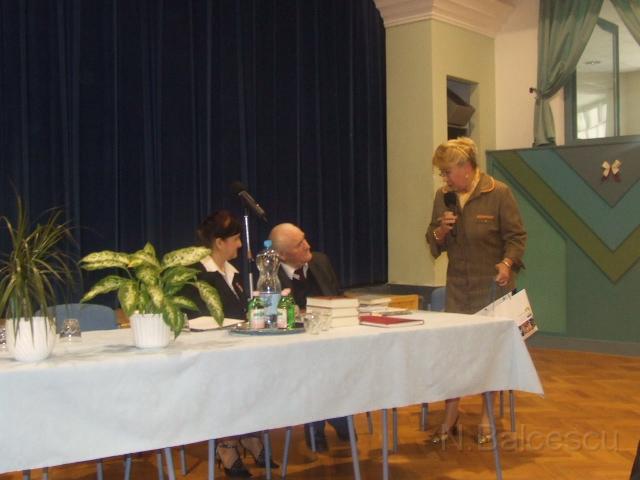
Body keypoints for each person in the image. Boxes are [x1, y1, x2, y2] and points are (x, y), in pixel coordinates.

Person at [425, 137, 526, 445]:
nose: (444, 178)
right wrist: (441, 230)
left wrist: (507, 264)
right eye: (442, 173)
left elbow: (517, 237)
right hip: (458, 288)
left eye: (447, 172)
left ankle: (487, 416)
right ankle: (450, 415)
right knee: (454, 355)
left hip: (491, 288)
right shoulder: (443, 197)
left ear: (466, 168)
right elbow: (433, 241)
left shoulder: (498, 193)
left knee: (489, 355)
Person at [189, 210, 277, 478]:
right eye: (236, 239)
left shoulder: (234, 274)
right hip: (211, 354)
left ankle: (248, 434)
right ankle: (227, 444)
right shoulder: (196, 276)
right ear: (219, 242)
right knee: (231, 380)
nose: (240, 245)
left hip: (237, 349)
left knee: (260, 374)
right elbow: (198, 319)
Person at [269, 223, 351, 452]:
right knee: (314, 370)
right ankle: (325, 423)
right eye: (299, 244)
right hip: (296, 348)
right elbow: (276, 316)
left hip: (332, 341)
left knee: (340, 365)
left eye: (305, 239)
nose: (308, 246)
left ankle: (334, 418)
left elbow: (338, 296)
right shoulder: (270, 276)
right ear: (282, 255)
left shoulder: (320, 261)